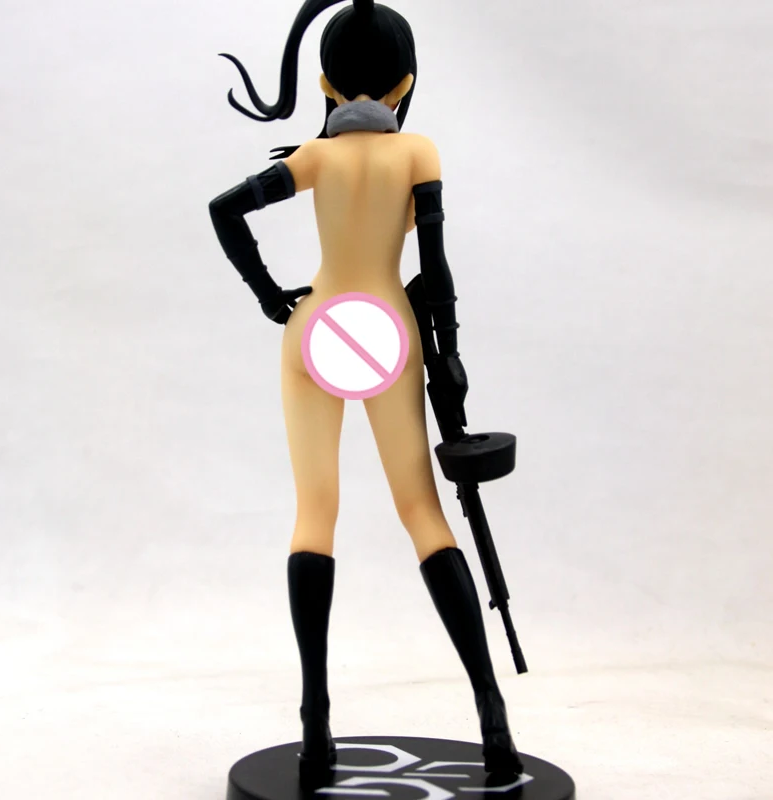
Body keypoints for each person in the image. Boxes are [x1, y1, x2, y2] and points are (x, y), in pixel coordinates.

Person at [208, 0, 523, 781]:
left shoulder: (314, 158)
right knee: (423, 513)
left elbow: (224, 209)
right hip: (388, 335)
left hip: (314, 331)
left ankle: (315, 723)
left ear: (323, 83)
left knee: (314, 513)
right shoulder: (417, 151)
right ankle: (491, 715)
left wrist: (270, 296)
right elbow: (436, 266)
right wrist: (450, 355)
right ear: (406, 83)